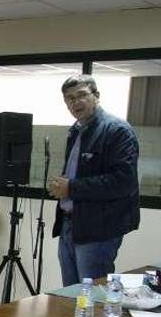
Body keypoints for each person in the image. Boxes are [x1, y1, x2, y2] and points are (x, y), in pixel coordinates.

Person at [50, 74, 140, 286]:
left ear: (96, 96)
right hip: (70, 224)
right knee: (69, 296)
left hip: (98, 229)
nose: (75, 102)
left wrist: (71, 188)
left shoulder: (117, 131)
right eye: (69, 98)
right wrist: (62, 186)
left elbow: (123, 182)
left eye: (81, 95)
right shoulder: (76, 130)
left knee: (92, 298)